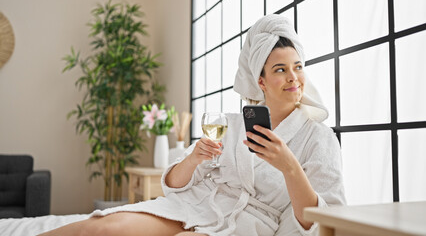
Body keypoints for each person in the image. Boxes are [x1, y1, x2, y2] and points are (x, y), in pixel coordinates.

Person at [40, 14, 345, 236]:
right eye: (281, 69)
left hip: (247, 224)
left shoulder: (319, 138)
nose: (294, 77)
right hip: (198, 204)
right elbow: (174, 184)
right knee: (103, 228)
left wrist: (289, 166)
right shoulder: (231, 123)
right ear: (261, 81)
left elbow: (320, 220)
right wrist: (195, 157)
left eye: (298, 67)